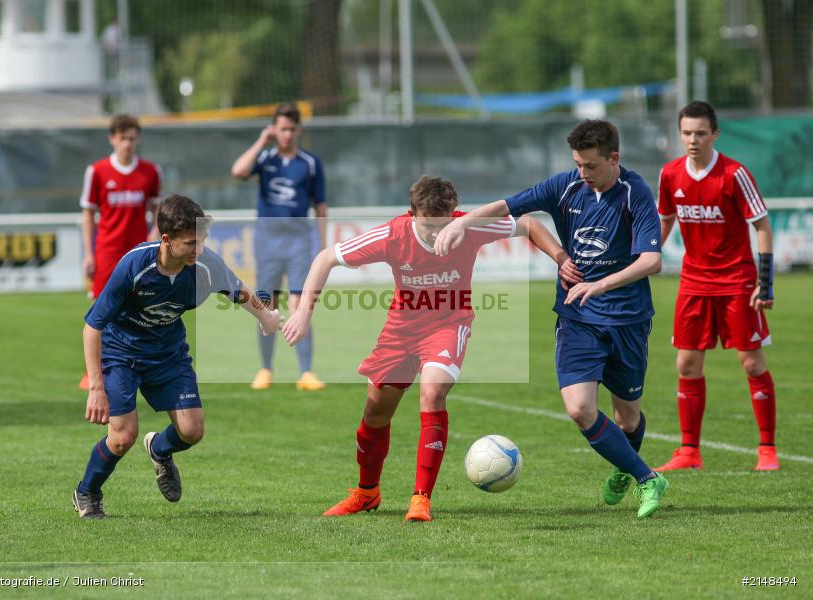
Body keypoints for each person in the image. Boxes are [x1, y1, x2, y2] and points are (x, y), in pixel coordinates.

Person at [282, 176, 565, 522]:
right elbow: (326, 258)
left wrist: (561, 258)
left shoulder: (468, 227)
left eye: (443, 224)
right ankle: (366, 492)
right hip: (401, 331)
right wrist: (304, 312)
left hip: (448, 326)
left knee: (432, 394)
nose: (436, 234)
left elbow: (530, 225)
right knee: (374, 414)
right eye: (428, 225)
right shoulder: (393, 235)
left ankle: (421, 499)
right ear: (411, 214)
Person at [435, 120, 670, 519]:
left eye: (591, 165)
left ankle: (625, 465)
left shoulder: (635, 193)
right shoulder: (566, 186)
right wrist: (462, 221)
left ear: (614, 158)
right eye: (578, 163)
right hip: (577, 318)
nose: (583, 172)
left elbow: (652, 261)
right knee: (580, 409)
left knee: (627, 416)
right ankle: (648, 478)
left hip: (627, 318)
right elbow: (510, 206)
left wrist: (601, 285)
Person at [72, 194, 281, 519]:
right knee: (123, 437)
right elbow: (92, 326)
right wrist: (96, 387)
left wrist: (266, 318)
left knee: (192, 430)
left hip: (168, 353)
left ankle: (159, 449)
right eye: (190, 243)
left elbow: (238, 291)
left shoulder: (205, 265)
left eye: (202, 241)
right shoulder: (135, 265)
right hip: (122, 353)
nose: (198, 250)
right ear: (166, 240)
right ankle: (87, 491)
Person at [655, 101, 778, 471]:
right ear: (680, 134)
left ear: (715, 134)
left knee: (751, 361)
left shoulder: (734, 174)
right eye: (687, 133)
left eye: (700, 133)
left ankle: (767, 448)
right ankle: (689, 452)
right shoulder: (670, 174)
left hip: (737, 281)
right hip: (693, 282)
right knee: (687, 363)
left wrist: (765, 280)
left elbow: (762, 227)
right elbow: (663, 223)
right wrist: (641, 261)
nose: (693, 140)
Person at [231, 102, 327, 391]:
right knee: (265, 305)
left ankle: (306, 372)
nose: (286, 134)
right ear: (275, 128)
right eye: (281, 129)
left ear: (298, 130)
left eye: (291, 129)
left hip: (299, 242)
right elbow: (238, 171)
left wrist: (321, 246)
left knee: (300, 305)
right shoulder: (265, 159)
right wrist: (262, 140)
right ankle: (266, 369)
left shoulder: (310, 163)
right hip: (268, 242)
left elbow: (320, 206)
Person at [79, 114, 163, 389]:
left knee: (143, 306)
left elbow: (157, 210)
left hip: (138, 254)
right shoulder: (98, 171)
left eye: (132, 138)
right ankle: (92, 371)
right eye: (122, 138)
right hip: (107, 251)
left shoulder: (150, 172)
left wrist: (154, 235)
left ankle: (141, 364)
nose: (127, 144)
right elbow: (88, 215)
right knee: (101, 310)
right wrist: (88, 254)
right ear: (112, 138)